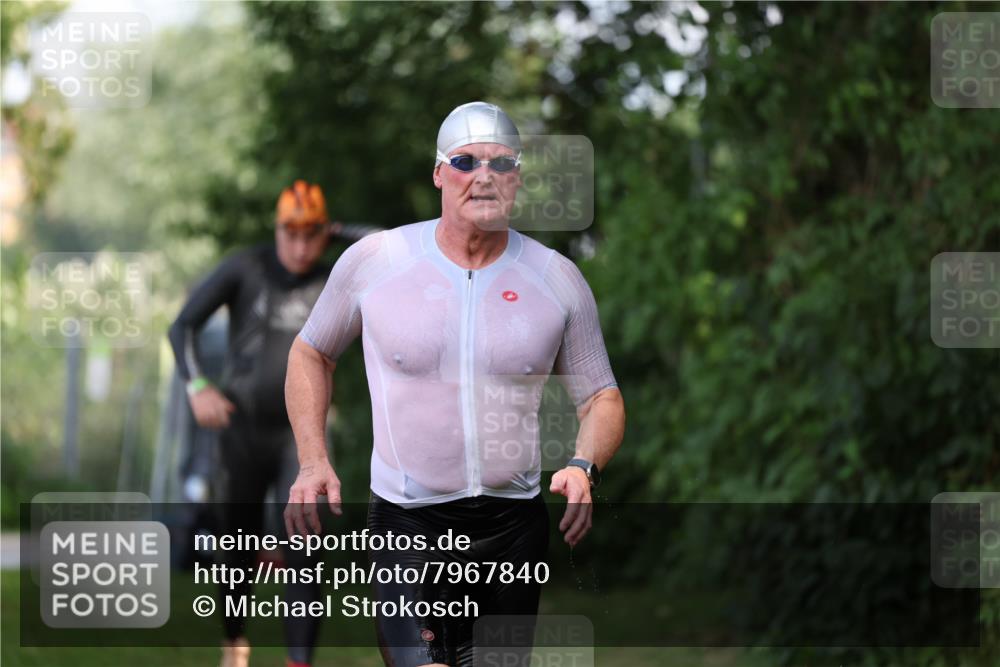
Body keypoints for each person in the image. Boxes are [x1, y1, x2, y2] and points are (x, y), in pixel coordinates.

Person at [284, 102, 626, 667]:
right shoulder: (377, 261)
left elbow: (602, 397)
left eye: (501, 163)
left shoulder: (556, 278)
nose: (483, 175)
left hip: (511, 528)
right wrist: (313, 459)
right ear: (439, 172)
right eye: (466, 161)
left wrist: (585, 464)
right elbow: (311, 352)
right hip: (408, 522)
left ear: (517, 178)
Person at [168, 180, 376, 667]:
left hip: (297, 441)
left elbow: (398, 246)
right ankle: (235, 642)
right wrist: (197, 386)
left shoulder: (334, 279)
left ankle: (298, 661)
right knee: (235, 548)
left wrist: (339, 231)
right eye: (291, 234)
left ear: (324, 235)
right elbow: (182, 326)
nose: (301, 248)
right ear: (276, 230)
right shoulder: (248, 267)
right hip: (240, 432)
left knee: (305, 548)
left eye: (312, 236)